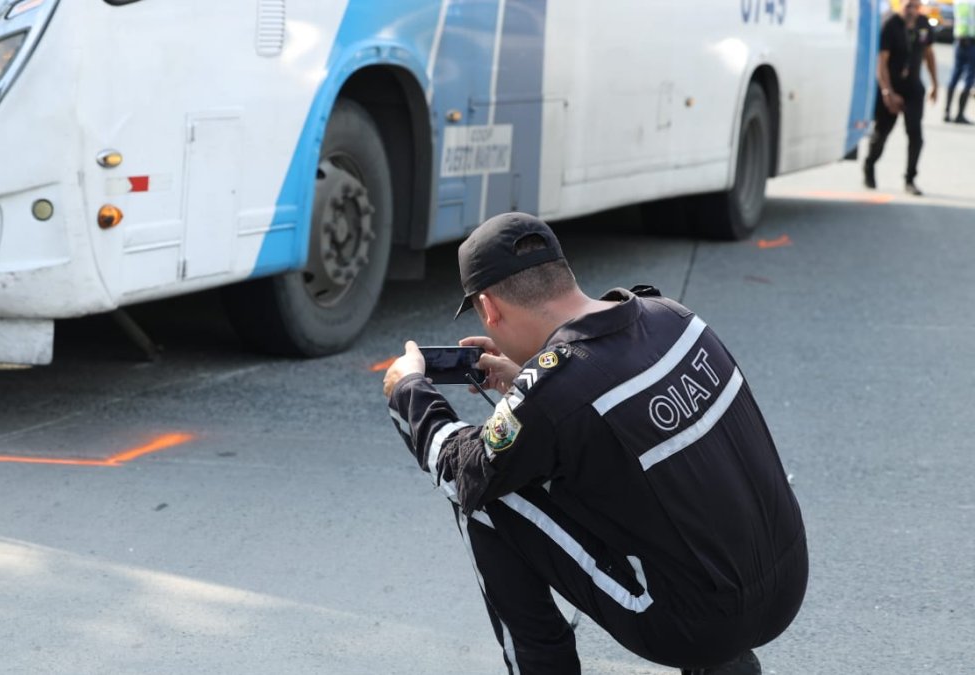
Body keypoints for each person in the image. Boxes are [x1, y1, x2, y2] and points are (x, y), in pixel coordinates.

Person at [382, 213, 807, 675]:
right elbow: (596, 402)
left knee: (487, 496)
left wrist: (409, 391)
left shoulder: (554, 389)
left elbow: (463, 472)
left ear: (489, 307)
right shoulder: (672, 316)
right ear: (563, 273)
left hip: (692, 625)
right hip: (786, 585)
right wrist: (526, 383)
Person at [864, 0, 940, 196]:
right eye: (908, 6)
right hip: (891, 86)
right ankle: (870, 165)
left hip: (913, 88)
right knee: (882, 133)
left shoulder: (923, 24)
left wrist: (935, 83)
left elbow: (929, 54)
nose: (912, 10)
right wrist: (887, 92)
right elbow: (881, 61)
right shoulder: (890, 25)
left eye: (916, 6)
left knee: (915, 135)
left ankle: (910, 178)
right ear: (900, 5)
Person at [945, 0, 975, 123]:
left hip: (959, 41)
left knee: (955, 75)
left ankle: (947, 112)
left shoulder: (959, 2)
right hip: (971, 43)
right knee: (969, 78)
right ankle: (960, 114)